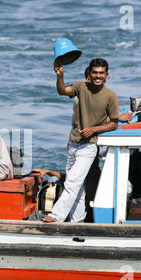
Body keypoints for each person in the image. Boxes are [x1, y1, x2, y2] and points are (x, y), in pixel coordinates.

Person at [43, 58, 119, 223]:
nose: (98, 76)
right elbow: (62, 91)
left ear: (107, 75)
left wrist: (94, 129)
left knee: (72, 182)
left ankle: (56, 216)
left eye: (102, 73)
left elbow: (114, 123)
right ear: (89, 74)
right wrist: (60, 76)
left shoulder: (111, 96)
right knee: (77, 187)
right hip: (73, 143)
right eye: (95, 72)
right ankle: (76, 221)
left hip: (89, 146)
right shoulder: (80, 86)